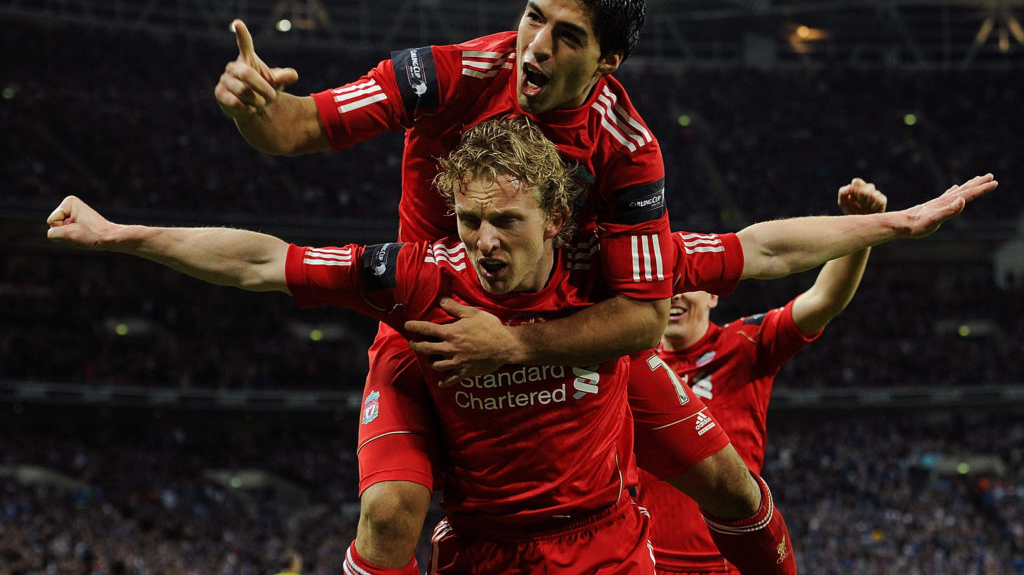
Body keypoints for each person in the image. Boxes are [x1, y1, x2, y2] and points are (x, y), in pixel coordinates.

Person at [48, 116, 996, 571]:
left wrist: (900, 225)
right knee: (386, 516)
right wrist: (121, 235)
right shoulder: (422, 275)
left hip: (605, 537)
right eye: (468, 222)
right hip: (487, 540)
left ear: (557, 217)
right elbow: (264, 260)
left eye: (505, 221)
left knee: (733, 488)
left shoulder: (615, 266)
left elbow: (766, 247)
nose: (485, 244)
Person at [214, 0, 774, 574]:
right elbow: (294, 128)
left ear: (607, 60)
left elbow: (645, 320)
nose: (537, 46)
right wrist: (253, 110)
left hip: (558, 326)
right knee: (389, 515)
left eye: (568, 37)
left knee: (730, 484)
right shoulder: (446, 75)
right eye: (534, 18)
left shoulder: (628, 145)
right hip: (428, 323)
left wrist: (512, 343)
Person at [639, 178, 885, 574]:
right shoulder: (629, 366)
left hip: (730, 566)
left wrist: (862, 229)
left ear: (713, 294)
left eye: (686, 285)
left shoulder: (743, 345)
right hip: (645, 565)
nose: (676, 297)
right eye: (667, 287)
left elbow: (823, 299)